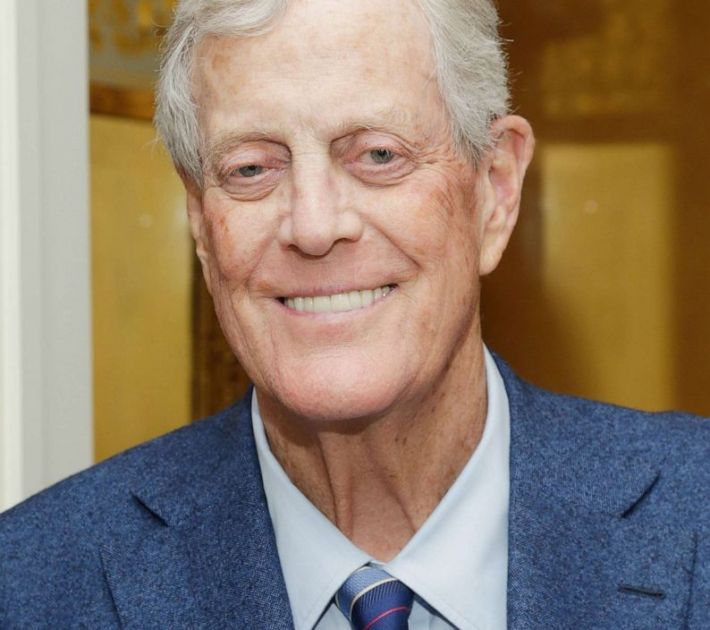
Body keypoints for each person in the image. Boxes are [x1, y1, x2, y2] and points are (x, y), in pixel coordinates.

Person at [1, 0, 708, 628]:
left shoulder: (693, 517)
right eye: (251, 169)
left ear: (494, 191)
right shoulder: (32, 586)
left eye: (377, 154)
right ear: (201, 225)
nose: (314, 226)